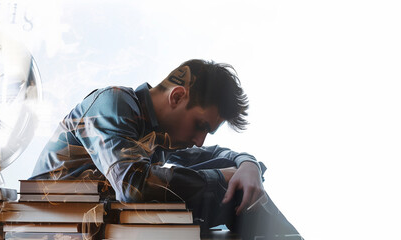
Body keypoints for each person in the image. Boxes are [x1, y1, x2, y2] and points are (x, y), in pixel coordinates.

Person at [30, 59, 301, 239]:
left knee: (234, 197)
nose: (199, 140)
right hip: (48, 229)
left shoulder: (158, 139)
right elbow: (134, 186)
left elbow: (214, 154)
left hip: (100, 227)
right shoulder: (113, 104)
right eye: (200, 125)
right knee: (220, 190)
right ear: (178, 96)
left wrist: (247, 165)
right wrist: (223, 178)